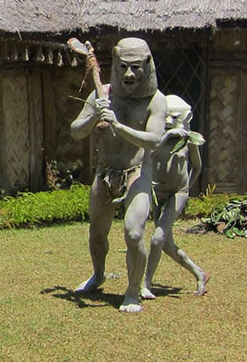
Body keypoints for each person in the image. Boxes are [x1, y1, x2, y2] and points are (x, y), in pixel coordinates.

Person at [70, 37, 166, 313]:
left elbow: (154, 140)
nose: (129, 74)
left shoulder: (155, 101)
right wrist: (94, 117)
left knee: (134, 233)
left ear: (147, 66)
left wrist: (118, 126)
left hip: (137, 172)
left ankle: (134, 291)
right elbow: (75, 131)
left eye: (136, 68)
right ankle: (98, 275)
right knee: (97, 233)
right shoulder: (104, 95)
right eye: (123, 67)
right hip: (105, 173)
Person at [142, 94, 209, 298]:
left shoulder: (188, 140)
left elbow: (196, 166)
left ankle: (146, 283)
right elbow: (146, 157)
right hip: (157, 192)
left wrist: (187, 187)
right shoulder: (156, 139)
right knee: (166, 245)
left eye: (174, 118)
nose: (170, 122)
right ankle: (200, 273)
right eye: (167, 117)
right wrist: (165, 138)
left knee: (156, 239)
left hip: (177, 193)